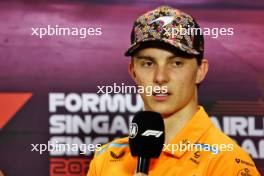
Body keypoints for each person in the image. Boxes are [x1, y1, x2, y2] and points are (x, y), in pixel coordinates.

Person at [87, 6, 260, 176]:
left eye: (176, 63)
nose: (160, 77)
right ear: (133, 72)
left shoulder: (226, 163)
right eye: (148, 63)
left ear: (201, 71)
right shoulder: (106, 159)